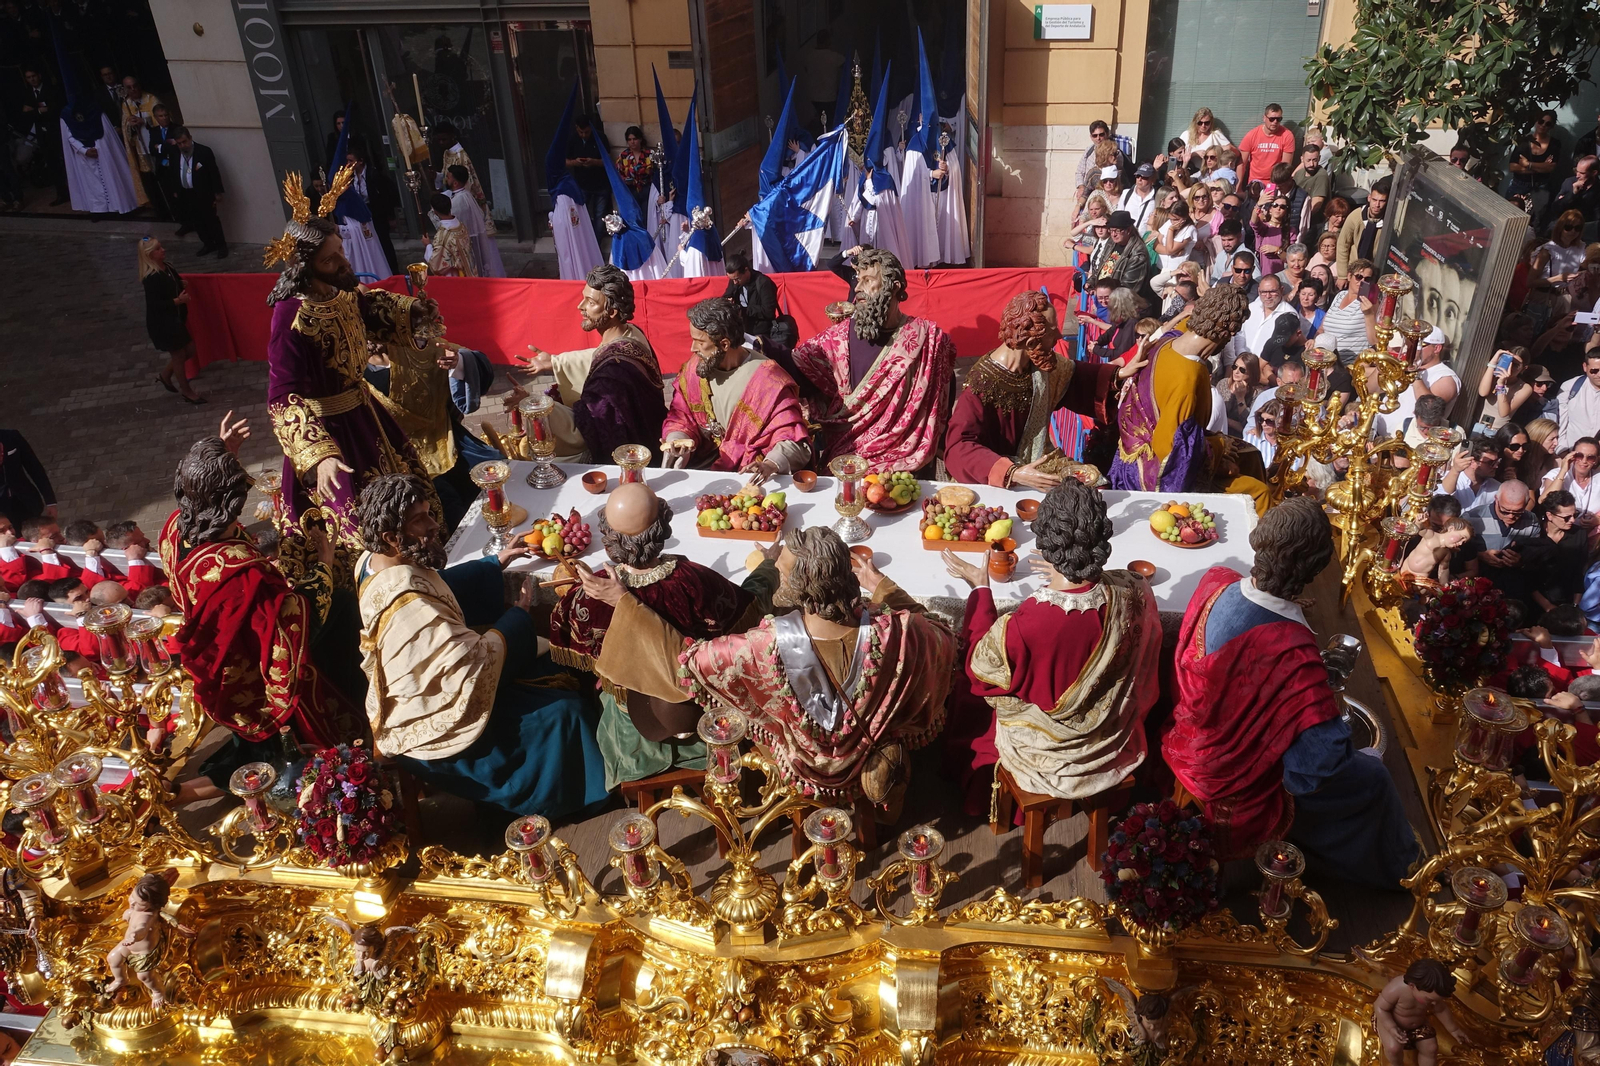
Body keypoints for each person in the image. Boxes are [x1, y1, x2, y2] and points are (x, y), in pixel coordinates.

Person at [581, 525, 956, 809]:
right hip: (873, 759)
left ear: (797, 589)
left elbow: (688, 662)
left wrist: (626, 604)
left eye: (786, 571)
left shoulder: (761, 646)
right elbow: (945, 637)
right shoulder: (900, 631)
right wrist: (883, 587)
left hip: (798, 767)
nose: (778, 569)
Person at [1162, 497, 1420, 884]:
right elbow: (1311, 769)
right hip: (1232, 775)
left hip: (1186, 738)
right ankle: (1400, 872)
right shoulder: (1291, 651)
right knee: (1374, 778)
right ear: (1313, 567)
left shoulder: (1216, 581)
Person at [354, 474, 607, 817]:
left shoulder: (374, 561)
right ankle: (575, 800)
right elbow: (473, 664)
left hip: (435, 685)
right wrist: (518, 617)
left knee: (554, 667)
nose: (434, 525)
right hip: (437, 722)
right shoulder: (408, 605)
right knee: (565, 712)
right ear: (389, 536)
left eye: (430, 512)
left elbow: (435, 585)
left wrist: (494, 563)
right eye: (420, 520)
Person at [264, 173, 442, 578]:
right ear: (306, 268)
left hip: (366, 417)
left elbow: (367, 306)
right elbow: (281, 397)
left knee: (408, 495)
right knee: (356, 529)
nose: (344, 263)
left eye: (340, 252)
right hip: (331, 439)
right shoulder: (290, 317)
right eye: (330, 260)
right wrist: (319, 456)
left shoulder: (340, 289)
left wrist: (411, 312)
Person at [942, 479, 1160, 809]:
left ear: (1045, 540)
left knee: (965, 696)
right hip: (1112, 735)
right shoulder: (1134, 588)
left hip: (1051, 754)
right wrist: (1068, 572)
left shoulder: (1032, 620)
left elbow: (980, 673)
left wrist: (980, 588)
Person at [549, 483, 766, 789]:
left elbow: (570, 634)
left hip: (628, 727)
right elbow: (741, 611)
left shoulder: (590, 596)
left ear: (609, 537)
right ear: (662, 527)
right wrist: (770, 566)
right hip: (696, 711)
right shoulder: (694, 581)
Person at [159, 427, 358, 757]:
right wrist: (323, 563)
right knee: (344, 606)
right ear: (233, 502)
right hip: (252, 657)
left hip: (222, 644)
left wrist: (224, 456)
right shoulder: (242, 572)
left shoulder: (173, 526)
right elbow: (294, 617)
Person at [788, 246, 957, 472]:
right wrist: (759, 347)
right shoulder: (838, 337)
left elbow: (943, 395)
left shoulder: (927, 339)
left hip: (904, 467)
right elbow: (799, 368)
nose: (857, 288)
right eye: (858, 279)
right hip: (846, 461)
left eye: (867, 280)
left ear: (894, 287)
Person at [1110, 284, 1269, 511]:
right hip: (1151, 473)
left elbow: (1178, 325)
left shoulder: (1170, 339)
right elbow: (1171, 449)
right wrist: (1219, 448)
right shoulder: (1187, 376)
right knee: (1258, 493)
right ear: (1226, 332)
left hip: (1131, 452)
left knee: (1251, 454)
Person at [943, 290, 1120, 488]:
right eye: (1053, 331)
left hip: (1039, 459)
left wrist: (1117, 375)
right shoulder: (981, 383)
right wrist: (1011, 472)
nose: (1059, 337)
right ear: (1031, 341)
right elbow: (959, 447)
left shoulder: (1037, 363)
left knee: (1096, 484)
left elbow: (1076, 375)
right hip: (1004, 475)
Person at [518, 264, 667, 464]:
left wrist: (537, 406)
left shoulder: (613, 372)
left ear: (612, 311)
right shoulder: (631, 333)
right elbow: (598, 356)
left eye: (590, 302)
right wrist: (555, 362)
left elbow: (588, 427)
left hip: (631, 459)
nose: (581, 307)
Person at [662, 298, 810, 475]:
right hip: (705, 469)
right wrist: (678, 439)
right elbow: (681, 414)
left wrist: (770, 464)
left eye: (700, 342)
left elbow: (791, 438)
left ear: (724, 344)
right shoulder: (697, 368)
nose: (693, 348)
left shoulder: (768, 381)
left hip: (749, 473)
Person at [138, 237, 203, 404]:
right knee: (179, 355)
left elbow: (171, 284)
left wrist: (180, 283)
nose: (163, 250)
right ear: (150, 254)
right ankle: (186, 391)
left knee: (189, 350)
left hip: (174, 320)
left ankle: (166, 375)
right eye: (158, 249)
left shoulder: (167, 267)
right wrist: (178, 301)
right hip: (163, 323)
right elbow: (155, 304)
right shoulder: (151, 277)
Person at [1373, 960, 1470, 1066]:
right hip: (1391, 1021)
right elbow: (1380, 1007)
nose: (1433, 1003)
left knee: (1431, 1048)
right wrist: (1391, 1027)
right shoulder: (1397, 988)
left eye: (1436, 1000)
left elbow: (1441, 1010)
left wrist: (1454, 1029)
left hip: (1418, 1024)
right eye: (1429, 999)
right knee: (1394, 1048)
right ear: (1412, 986)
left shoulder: (1432, 994)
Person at [61, 97, 137, 216]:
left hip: (102, 150)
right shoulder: (67, 113)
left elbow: (105, 131)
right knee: (92, 183)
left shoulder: (94, 109)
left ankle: (116, 206)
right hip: (84, 155)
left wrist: (98, 147)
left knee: (111, 177)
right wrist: (83, 150)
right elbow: (69, 135)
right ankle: (99, 210)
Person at [160, 128, 226, 257]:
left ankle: (221, 246)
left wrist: (217, 192)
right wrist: (175, 190)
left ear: (190, 138)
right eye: (179, 143)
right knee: (197, 221)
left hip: (203, 192)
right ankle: (208, 244)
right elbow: (173, 172)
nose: (182, 145)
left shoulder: (204, 152)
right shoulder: (175, 153)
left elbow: (213, 173)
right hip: (186, 193)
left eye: (184, 142)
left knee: (211, 220)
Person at [1525, 490, 1588, 612]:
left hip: (1567, 603)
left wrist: (1575, 606)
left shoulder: (1579, 534)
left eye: (1575, 515)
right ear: (1549, 516)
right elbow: (1527, 576)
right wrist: (1547, 606)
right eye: (1566, 517)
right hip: (1534, 604)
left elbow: (1579, 572)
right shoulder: (1534, 534)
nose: (1572, 520)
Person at [445, 164, 505, 278]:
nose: (446, 179)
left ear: (455, 183)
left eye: (448, 177)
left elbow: (450, 222)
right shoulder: (467, 195)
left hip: (465, 245)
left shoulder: (458, 202)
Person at [346, 146, 399, 277]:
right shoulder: (350, 178)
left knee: (384, 241)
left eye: (351, 161)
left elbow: (387, 196)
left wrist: (390, 216)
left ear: (360, 161)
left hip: (377, 213)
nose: (348, 164)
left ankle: (393, 271)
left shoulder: (374, 175)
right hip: (362, 214)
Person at [19, 68, 68, 207]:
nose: (32, 79)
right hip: (42, 133)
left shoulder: (51, 89)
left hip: (56, 130)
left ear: (39, 75)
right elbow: (25, 114)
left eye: (33, 76)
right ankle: (61, 193)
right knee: (52, 164)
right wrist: (40, 110)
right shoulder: (28, 93)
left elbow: (55, 109)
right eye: (29, 77)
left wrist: (35, 111)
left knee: (65, 161)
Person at [117, 74, 161, 214]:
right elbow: (125, 125)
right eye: (129, 87)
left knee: (161, 175)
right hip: (141, 147)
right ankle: (157, 207)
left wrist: (145, 121)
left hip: (154, 143)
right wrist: (130, 125)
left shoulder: (151, 99)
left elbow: (163, 117)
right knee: (149, 180)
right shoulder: (126, 104)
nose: (133, 89)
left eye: (135, 85)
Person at [1319, 260, 1377, 364]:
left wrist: (1369, 315)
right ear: (1349, 276)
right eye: (1359, 277)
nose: (1362, 281)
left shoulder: (1370, 303)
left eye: (1367, 279)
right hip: (1326, 360)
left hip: (1349, 365)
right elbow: (1322, 328)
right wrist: (1314, 341)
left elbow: (1374, 341)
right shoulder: (1340, 296)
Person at [1087, 210, 1151, 302]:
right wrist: (1092, 282)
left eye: (1117, 230)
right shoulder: (1111, 242)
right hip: (1105, 297)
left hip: (1123, 304)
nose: (1113, 234)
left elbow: (1128, 287)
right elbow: (1101, 267)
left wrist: (1103, 293)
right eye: (1111, 230)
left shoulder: (1138, 253)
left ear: (1128, 230)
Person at [1509, 110, 1564, 217]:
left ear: (1551, 127)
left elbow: (1550, 168)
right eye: (1541, 121)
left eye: (1548, 124)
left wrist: (1527, 164)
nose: (1543, 125)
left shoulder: (1554, 144)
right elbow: (1512, 166)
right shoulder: (1524, 141)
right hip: (1518, 185)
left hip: (1541, 187)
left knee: (1535, 220)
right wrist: (1540, 167)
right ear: (1536, 121)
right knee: (1509, 215)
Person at [566, 114, 611, 237]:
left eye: (586, 132)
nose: (584, 135)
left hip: (601, 185)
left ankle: (596, 245)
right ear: (576, 128)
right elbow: (565, 161)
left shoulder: (600, 138)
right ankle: (585, 243)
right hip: (582, 184)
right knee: (580, 216)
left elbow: (608, 161)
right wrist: (576, 162)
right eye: (581, 132)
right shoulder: (573, 139)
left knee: (599, 217)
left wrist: (594, 162)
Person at [0, 429, 55, 529]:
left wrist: (50, 501)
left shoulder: (11, 436)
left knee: (38, 536)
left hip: (27, 503)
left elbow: (35, 468)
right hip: (2, 513)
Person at [1336, 178, 1390, 280]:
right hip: (1354, 270)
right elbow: (1343, 244)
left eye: (1382, 201)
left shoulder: (1389, 222)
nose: (1377, 205)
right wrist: (1342, 275)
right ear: (1369, 198)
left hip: (1376, 272)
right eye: (1374, 200)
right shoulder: (1355, 216)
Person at [1400, 517, 1474, 589]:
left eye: (1463, 542)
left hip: (1420, 581)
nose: (1460, 543)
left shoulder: (1446, 553)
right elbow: (1418, 530)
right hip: (1403, 572)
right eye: (1461, 538)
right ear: (1451, 529)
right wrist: (1419, 523)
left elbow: (1443, 570)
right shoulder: (1431, 535)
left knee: (1427, 592)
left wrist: (1444, 586)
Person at [722, 251, 780, 339]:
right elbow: (727, 295)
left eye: (738, 279)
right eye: (732, 279)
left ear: (746, 270)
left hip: (761, 333)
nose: (735, 282)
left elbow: (768, 311)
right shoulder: (735, 280)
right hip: (741, 330)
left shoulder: (763, 282)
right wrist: (727, 301)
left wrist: (743, 311)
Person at [1237, 103, 1296, 189]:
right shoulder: (1252, 135)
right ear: (1264, 118)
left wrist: (1279, 187)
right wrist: (1238, 187)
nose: (1275, 122)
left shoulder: (1287, 135)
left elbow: (1285, 166)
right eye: (1272, 119)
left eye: (1278, 119)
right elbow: (1242, 164)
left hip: (1275, 182)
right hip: (1255, 182)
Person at [1541, 436, 1600, 520]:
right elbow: (1544, 500)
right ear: (1572, 455)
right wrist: (1563, 471)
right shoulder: (1556, 474)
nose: (1584, 461)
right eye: (1579, 456)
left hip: (1592, 531)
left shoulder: (1598, 477)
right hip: (1563, 530)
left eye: (1590, 458)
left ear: (1596, 460)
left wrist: (1598, 520)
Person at [1477, 348, 1534, 433]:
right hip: (1477, 425)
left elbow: (1504, 413)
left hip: (1496, 431)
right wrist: (1493, 363)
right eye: (1508, 361)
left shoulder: (1525, 388)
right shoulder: (1493, 376)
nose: (1509, 367)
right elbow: (1483, 392)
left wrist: (1501, 385)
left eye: (1515, 365)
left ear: (1523, 368)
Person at [1072, 120, 1126, 207]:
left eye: (1101, 134)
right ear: (1091, 137)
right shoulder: (1089, 151)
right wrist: (1081, 187)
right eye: (1095, 135)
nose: (1098, 138)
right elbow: (1079, 172)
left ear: (1107, 134)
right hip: (1088, 192)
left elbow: (1118, 177)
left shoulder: (1115, 153)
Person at [422, 192, 476, 277]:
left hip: (454, 276)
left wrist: (428, 245)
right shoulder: (460, 225)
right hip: (468, 270)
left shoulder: (443, 235)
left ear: (435, 212)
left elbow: (436, 265)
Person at [1442, 438, 1501, 510]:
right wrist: (1455, 470)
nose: (1496, 466)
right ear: (1472, 462)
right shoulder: (1449, 478)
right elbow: (1443, 498)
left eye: (1497, 461)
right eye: (1491, 463)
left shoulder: (1497, 488)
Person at [1558, 350, 1600, 451]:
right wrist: (1561, 451)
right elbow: (1560, 423)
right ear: (1585, 367)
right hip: (1572, 453)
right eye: (1594, 371)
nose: (1599, 375)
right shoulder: (1569, 387)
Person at [1540, 210, 1588, 292]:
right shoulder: (1548, 250)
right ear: (1560, 228)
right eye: (1568, 227)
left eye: (1577, 228)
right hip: (1546, 297)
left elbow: (1586, 265)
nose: (1573, 231)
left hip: (1568, 295)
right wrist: (1559, 278)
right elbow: (1530, 282)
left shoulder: (1580, 247)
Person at [1250, 195, 1292, 276]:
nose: (1278, 208)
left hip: (1281, 276)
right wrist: (1258, 205)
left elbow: (1290, 259)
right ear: (1270, 209)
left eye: (1282, 207)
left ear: (1286, 211)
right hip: (1262, 274)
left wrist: (1277, 250)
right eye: (1275, 205)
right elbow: (1253, 222)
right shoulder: (1264, 227)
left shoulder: (1290, 231)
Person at [615, 125, 654, 201]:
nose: (632, 142)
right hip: (630, 191)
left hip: (647, 190)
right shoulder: (623, 156)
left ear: (640, 139)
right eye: (629, 140)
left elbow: (655, 173)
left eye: (634, 139)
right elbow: (618, 173)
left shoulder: (649, 154)